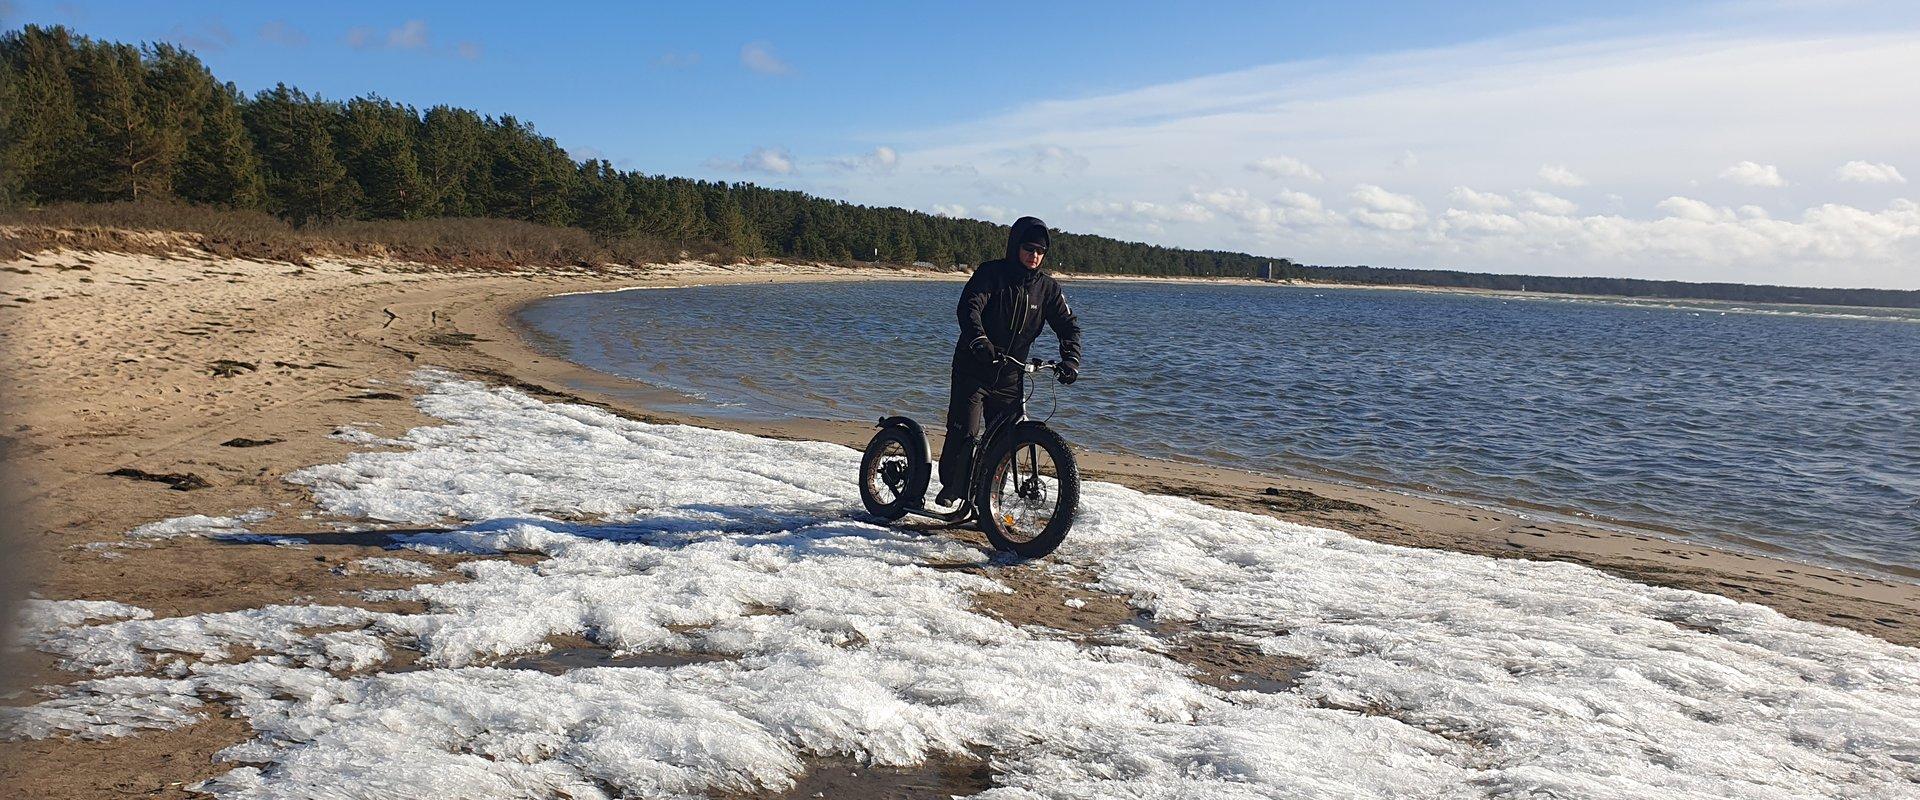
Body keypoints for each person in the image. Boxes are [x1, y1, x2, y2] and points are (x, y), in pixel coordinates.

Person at [934, 216, 1082, 508]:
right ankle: (952, 486)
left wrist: (1071, 359)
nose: (1034, 255)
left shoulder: (1047, 289)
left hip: (1011, 375)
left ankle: (990, 501)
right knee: (966, 430)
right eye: (1028, 248)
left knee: (1003, 441)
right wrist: (980, 341)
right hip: (974, 367)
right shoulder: (992, 274)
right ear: (1015, 246)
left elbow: (1068, 326)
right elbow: (969, 307)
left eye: (1040, 251)